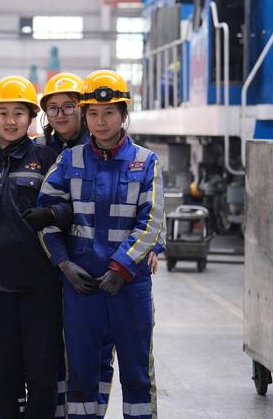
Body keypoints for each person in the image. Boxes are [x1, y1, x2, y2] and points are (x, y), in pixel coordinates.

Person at [37, 70, 165, 419]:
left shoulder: (145, 161)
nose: (100, 121)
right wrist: (64, 264)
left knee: (137, 374)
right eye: (93, 113)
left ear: (124, 114)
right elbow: (45, 219)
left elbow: (152, 221)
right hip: (81, 285)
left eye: (109, 112)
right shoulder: (70, 161)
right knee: (80, 374)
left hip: (130, 286)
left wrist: (122, 268)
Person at [0, 75, 64, 418]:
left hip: (40, 286)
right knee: (4, 376)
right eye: (3, 112)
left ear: (31, 118)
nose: (10, 121)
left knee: (41, 376)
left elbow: (68, 207)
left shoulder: (48, 157)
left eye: (18, 113)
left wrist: (53, 212)